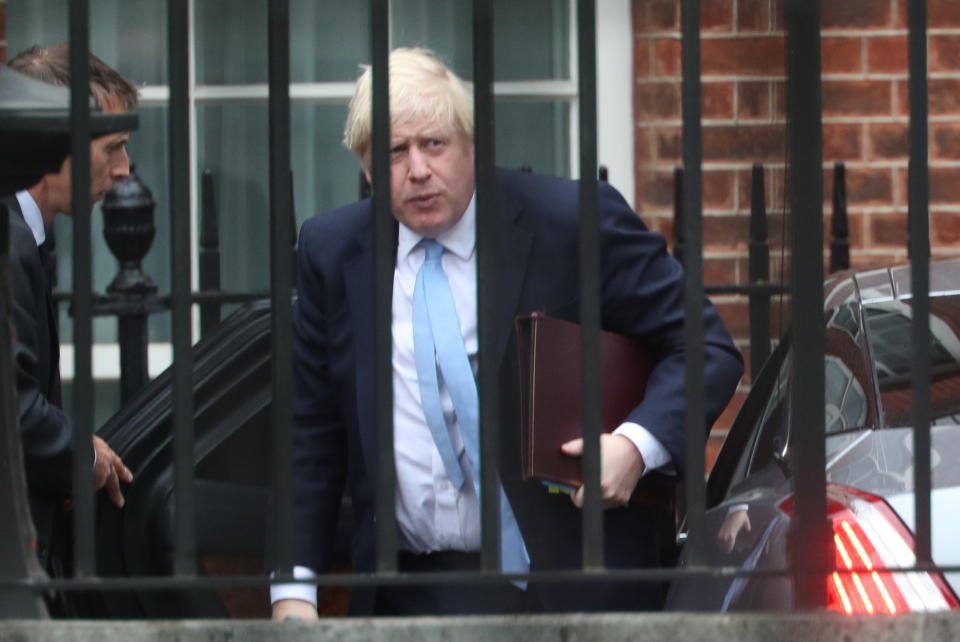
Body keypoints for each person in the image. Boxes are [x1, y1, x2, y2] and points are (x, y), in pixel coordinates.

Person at [271, 47, 743, 617]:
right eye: (395, 152)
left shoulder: (570, 222)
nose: (418, 169)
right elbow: (310, 434)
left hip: (572, 587)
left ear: (472, 144)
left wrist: (634, 446)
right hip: (411, 592)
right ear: (368, 169)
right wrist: (293, 591)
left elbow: (704, 346)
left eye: (434, 144)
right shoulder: (332, 250)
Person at [2, 43, 135, 582]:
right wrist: (82, 457)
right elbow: (12, 404)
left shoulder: (25, 233)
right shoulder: (8, 241)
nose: (125, 170)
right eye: (114, 148)